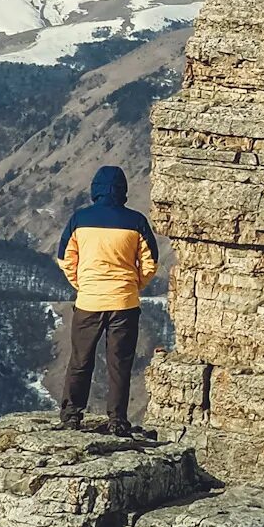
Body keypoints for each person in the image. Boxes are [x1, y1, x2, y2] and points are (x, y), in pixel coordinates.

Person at [55, 164, 159, 438]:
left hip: (89, 302)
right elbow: (150, 263)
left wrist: (82, 284)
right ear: (123, 190)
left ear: (95, 190)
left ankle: (71, 415)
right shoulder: (136, 222)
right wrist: (133, 285)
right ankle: (117, 420)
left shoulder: (79, 219)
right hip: (124, 304)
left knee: (80, 360)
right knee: (119, 363)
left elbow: (65, 259)